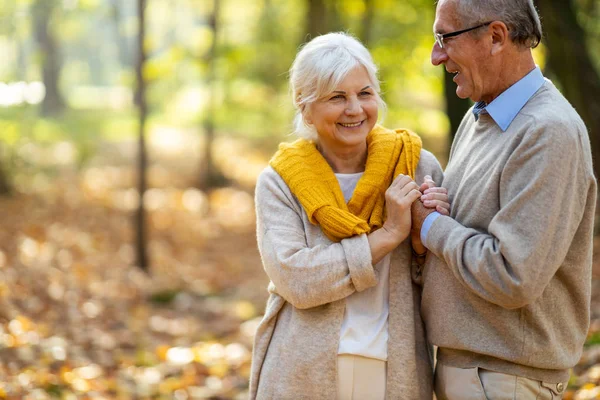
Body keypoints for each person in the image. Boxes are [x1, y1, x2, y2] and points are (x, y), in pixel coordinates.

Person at [411, 0, 598, 399]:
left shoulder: (548, 132)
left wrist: (430, 226)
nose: (435, 55)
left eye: (445, 38)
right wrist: (434, 208)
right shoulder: (482, 116)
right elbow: (462, 229)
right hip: (472, 370)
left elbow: (513, 275)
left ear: (496, 37)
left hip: (503, 380)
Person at [248, 32, 449, 400]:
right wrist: (388, 235)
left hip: (395, 367)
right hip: (302, 371)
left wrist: (423, 241)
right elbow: (297, 280)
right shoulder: (280, 181)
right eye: (337, 97)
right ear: (304, 106)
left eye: (365, 93)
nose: (355, 109)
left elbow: (443, 282)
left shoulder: (413, 164)